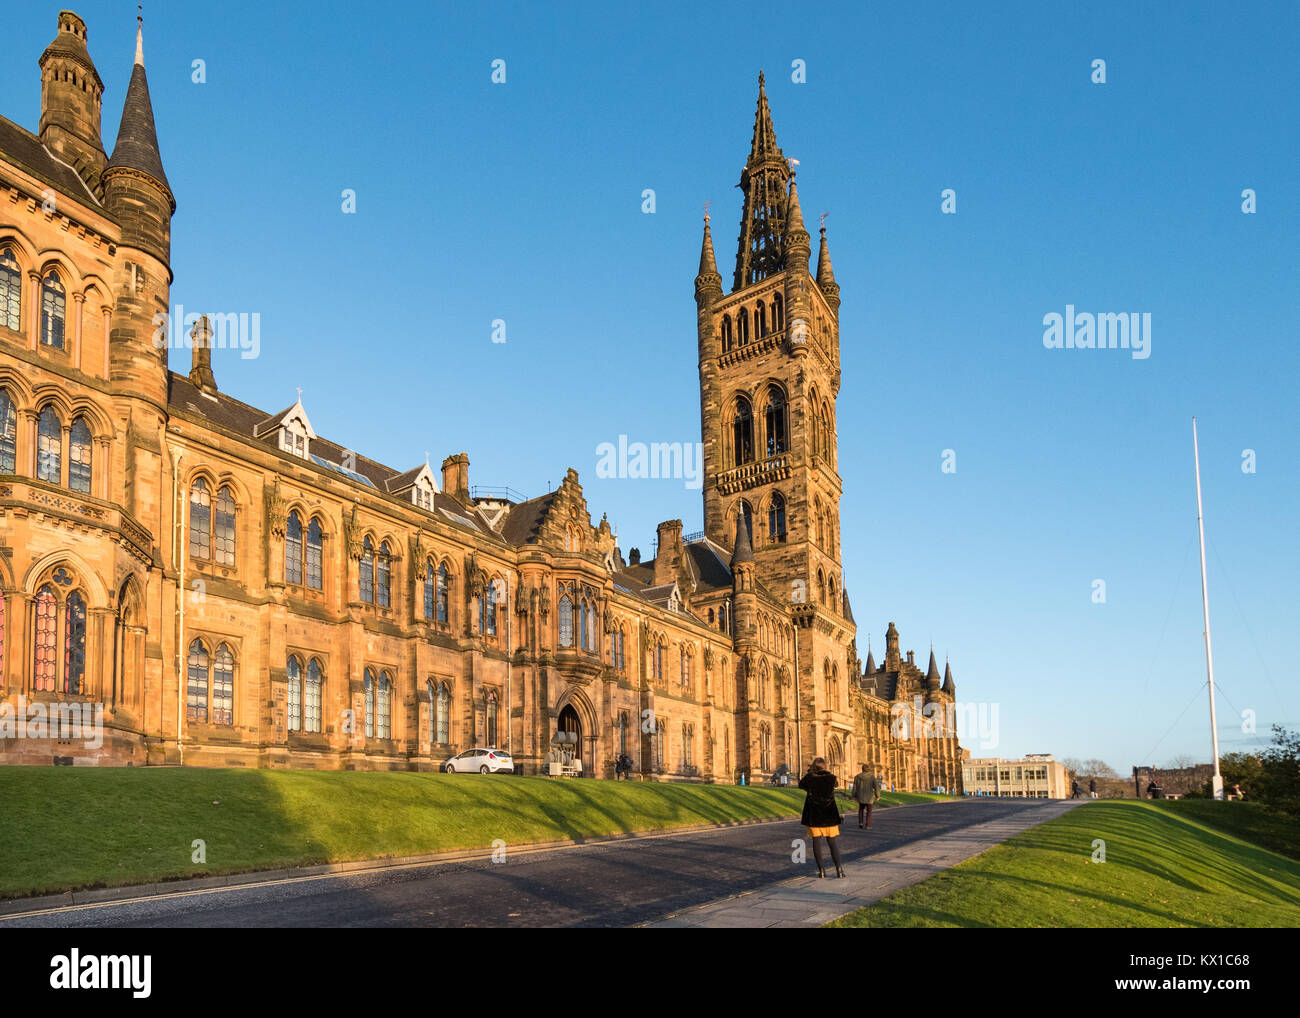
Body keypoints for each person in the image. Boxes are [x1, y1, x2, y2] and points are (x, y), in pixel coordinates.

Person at [799, 757, 844, 878]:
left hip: (814, 815)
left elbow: (801, 784)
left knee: (816, 842)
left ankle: (822, 871)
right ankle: (839, 870)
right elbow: (836, 785)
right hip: (829, 814)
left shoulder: (809, 778)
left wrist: (810, 773)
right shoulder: (831, 778)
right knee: (832, 842)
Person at [850, 764, 882, 829]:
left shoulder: (857, 777)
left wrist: (853, 796)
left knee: (861, 810)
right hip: (869, 797)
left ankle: (860, 823)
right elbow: (876, 787)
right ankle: (868, 825)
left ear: (862, 769)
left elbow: (854, 788)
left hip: (860, 796)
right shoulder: (872, 777)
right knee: (869, 811)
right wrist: (877, 796)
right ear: (868, 769)